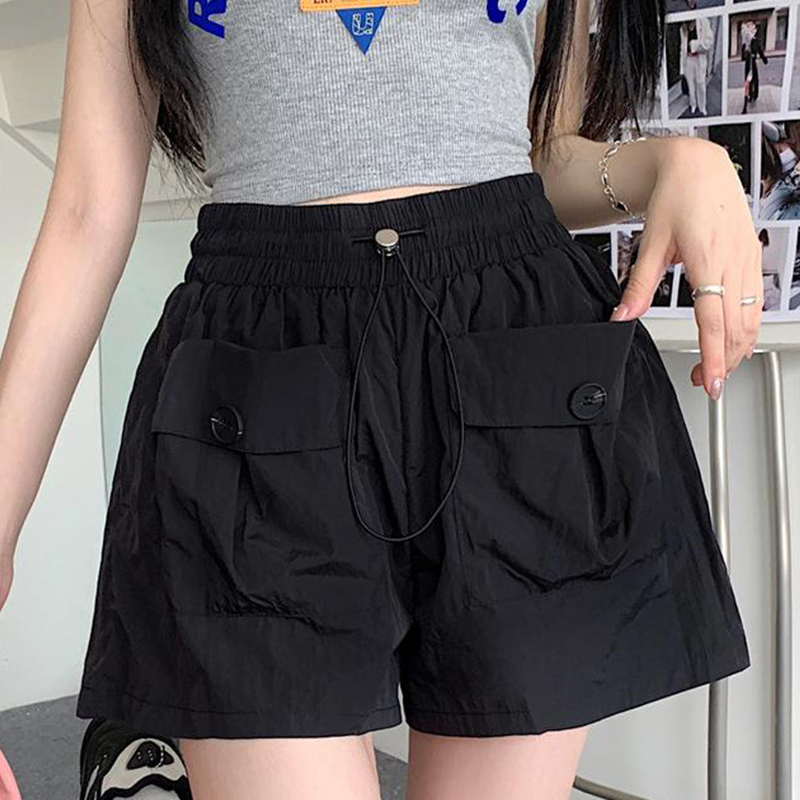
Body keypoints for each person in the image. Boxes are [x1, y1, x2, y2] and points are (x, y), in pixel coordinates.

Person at [0, 1, 760, 798]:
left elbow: (537, 152)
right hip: (258, 374)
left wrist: (674, 164)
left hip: (513, 361)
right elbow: (88, 212)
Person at [679, 16, 714, 116]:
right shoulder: (683, 28)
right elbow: (682, 48)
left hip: (699, 59)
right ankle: (693, 105)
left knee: (701, 84)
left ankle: (702, 106)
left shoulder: (704, 21)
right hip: (688, 60)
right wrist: (681, 69)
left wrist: (693, 45)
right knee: (690, 85)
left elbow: (709, 43)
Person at [741, 19, 769, 113]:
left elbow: (760, 50)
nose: (749, 28)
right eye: (747, 26)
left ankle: (755, 95)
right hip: (748, 63)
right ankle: (748, 96)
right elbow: (742, 57)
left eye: (751, 26)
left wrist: (764, 59)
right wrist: (745, 49)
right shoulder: (745, 42)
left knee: (755, 80)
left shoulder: (756, 40)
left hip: (753, 63)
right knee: (747, 81)